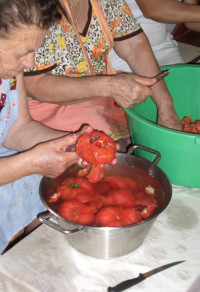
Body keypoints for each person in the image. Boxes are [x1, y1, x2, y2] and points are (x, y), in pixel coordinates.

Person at [0, 0, 97, 254]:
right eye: (21, 52)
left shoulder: (10, 68)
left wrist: (73, 143)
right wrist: (31, 162)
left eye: (36, 48)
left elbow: (17, 128)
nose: (30, 62)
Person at [24, 0, 182, 148]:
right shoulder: (33, 8)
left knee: (147, 118)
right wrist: (109, 86)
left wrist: (165, 105)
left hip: (99, 93)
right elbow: (36, 84)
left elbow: (134, 46)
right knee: (109, 148)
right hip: (47, 106)